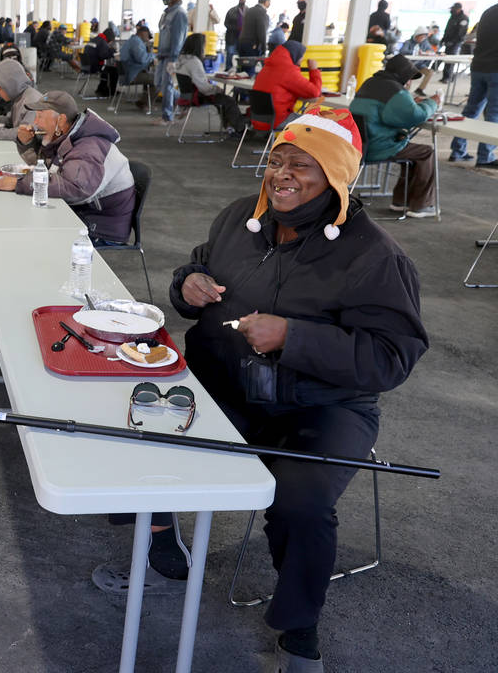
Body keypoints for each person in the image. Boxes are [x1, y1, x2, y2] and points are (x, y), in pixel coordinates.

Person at [168, 105, 426, 671]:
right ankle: (161, 537)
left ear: (334, 176)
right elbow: (194, 271)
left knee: (301, 505)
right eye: (276, 160)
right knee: (146, 436)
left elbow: (393, 357)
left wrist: (294, 338)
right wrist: (186, 287)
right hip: (225, 390)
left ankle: (299, 629)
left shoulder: (376, 256)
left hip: (322, 408)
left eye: (301, 165)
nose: (280, 174)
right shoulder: (240, 217)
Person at [0, 91, 136, 245]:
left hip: (100, 227)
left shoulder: (88, 148)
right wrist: (27, 143)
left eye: (40, 116)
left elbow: (74, 187)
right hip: (81, 211)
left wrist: (20, 183)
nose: (35, 122)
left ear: (61, 120)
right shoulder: (67, 136)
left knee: (29, 236)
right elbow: (46, 169)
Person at [348, 54, 439, 218]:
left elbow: (389, 112)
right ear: (404, 76)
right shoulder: (395, 91)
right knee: (425, 152)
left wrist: (410, 102)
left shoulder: (369, 83)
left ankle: (401, 201)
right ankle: (421, 205)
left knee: (410, 150)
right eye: (410, 78)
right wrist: (432, 102)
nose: (410, 83)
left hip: (358, 145)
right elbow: (414, 116)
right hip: (378, 147)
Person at [450, 1, 498, 166]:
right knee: (494, 114)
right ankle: (486, 156)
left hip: (478, 66)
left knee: (471, 110)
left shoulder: (488, 11)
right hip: (495, 69)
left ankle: (457, 150)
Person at [175, 33, 247, 136]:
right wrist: (217, 89)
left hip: (186, 96)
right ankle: (240, 128)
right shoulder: (194, 62)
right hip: (196, 97)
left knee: (222, 100)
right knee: (228, 101)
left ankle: (230, 127)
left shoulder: (181, 59)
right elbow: (204, 88)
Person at [251, 41, 321, 132]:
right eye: (301, 56)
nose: (302, 59)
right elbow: (315, 92)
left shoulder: (267, 67)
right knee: (316, 123)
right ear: (295, 55)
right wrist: (314, 70)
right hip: (277, 120)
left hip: (257, 120)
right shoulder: (289, 72)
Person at [156, 0, 189, 125]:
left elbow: (178, 37)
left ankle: (167, 117)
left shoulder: (179, 14)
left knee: (167, 86)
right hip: (163, 54)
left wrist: (174, 58)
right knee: (159, 84)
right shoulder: (166, 13)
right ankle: (183, 102)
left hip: (171, 56)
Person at [119, 25, 154, 109]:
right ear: (143, 33)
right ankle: (144, 103)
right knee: (158, 79)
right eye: (147, 36)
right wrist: (152, 55)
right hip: (132, 75)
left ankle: (144, 102)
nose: (148, 38)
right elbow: (142, 59)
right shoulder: (137, 42)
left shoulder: (131, 40)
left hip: (125, 74)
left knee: (149, 76)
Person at [398, 27, 435, 95]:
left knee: (430, 72)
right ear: (416, 36)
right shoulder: (408, 42)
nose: (422, 39)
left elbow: (431, 51)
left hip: (420, 65)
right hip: (409, 66)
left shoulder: (425, 43)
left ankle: (420, 89)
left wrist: (427, 53)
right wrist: (415, 52)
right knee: (409, 76)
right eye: (421, 37)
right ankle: (405, 92)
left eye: (424, 37)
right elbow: (402, 51)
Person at [239, 0, 271, 67]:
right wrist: (263, 49)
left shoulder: (249, 10)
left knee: (242, 71)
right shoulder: (262, 13)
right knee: (251, 71)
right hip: (252, 45)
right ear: (266, 2)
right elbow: (262, 32)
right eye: (269, 1)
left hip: (242, 43)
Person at [440, 2, 469, 83]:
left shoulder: (463, 18)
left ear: (459, 9)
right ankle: (445, 76)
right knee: (446, 58)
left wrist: (453, 41)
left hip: (455, 43)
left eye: (454, 9)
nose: (452, 10)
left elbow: (461, 32)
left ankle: (449, 77)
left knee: (451, 59)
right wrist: (444, 39)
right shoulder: (453, 16)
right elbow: (448, 29)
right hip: (448, 41)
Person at [224, 0, 247, 71]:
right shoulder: (232, 10)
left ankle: (239, 69)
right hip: (232, 36)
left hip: (243, 37)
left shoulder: (248, 11)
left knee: (241, 54)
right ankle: (228, 68)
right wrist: (236, 28)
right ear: (239, 0)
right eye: (241, 0)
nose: (242, 1)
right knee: (230, 53)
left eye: (244, 0)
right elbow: (226, 23)